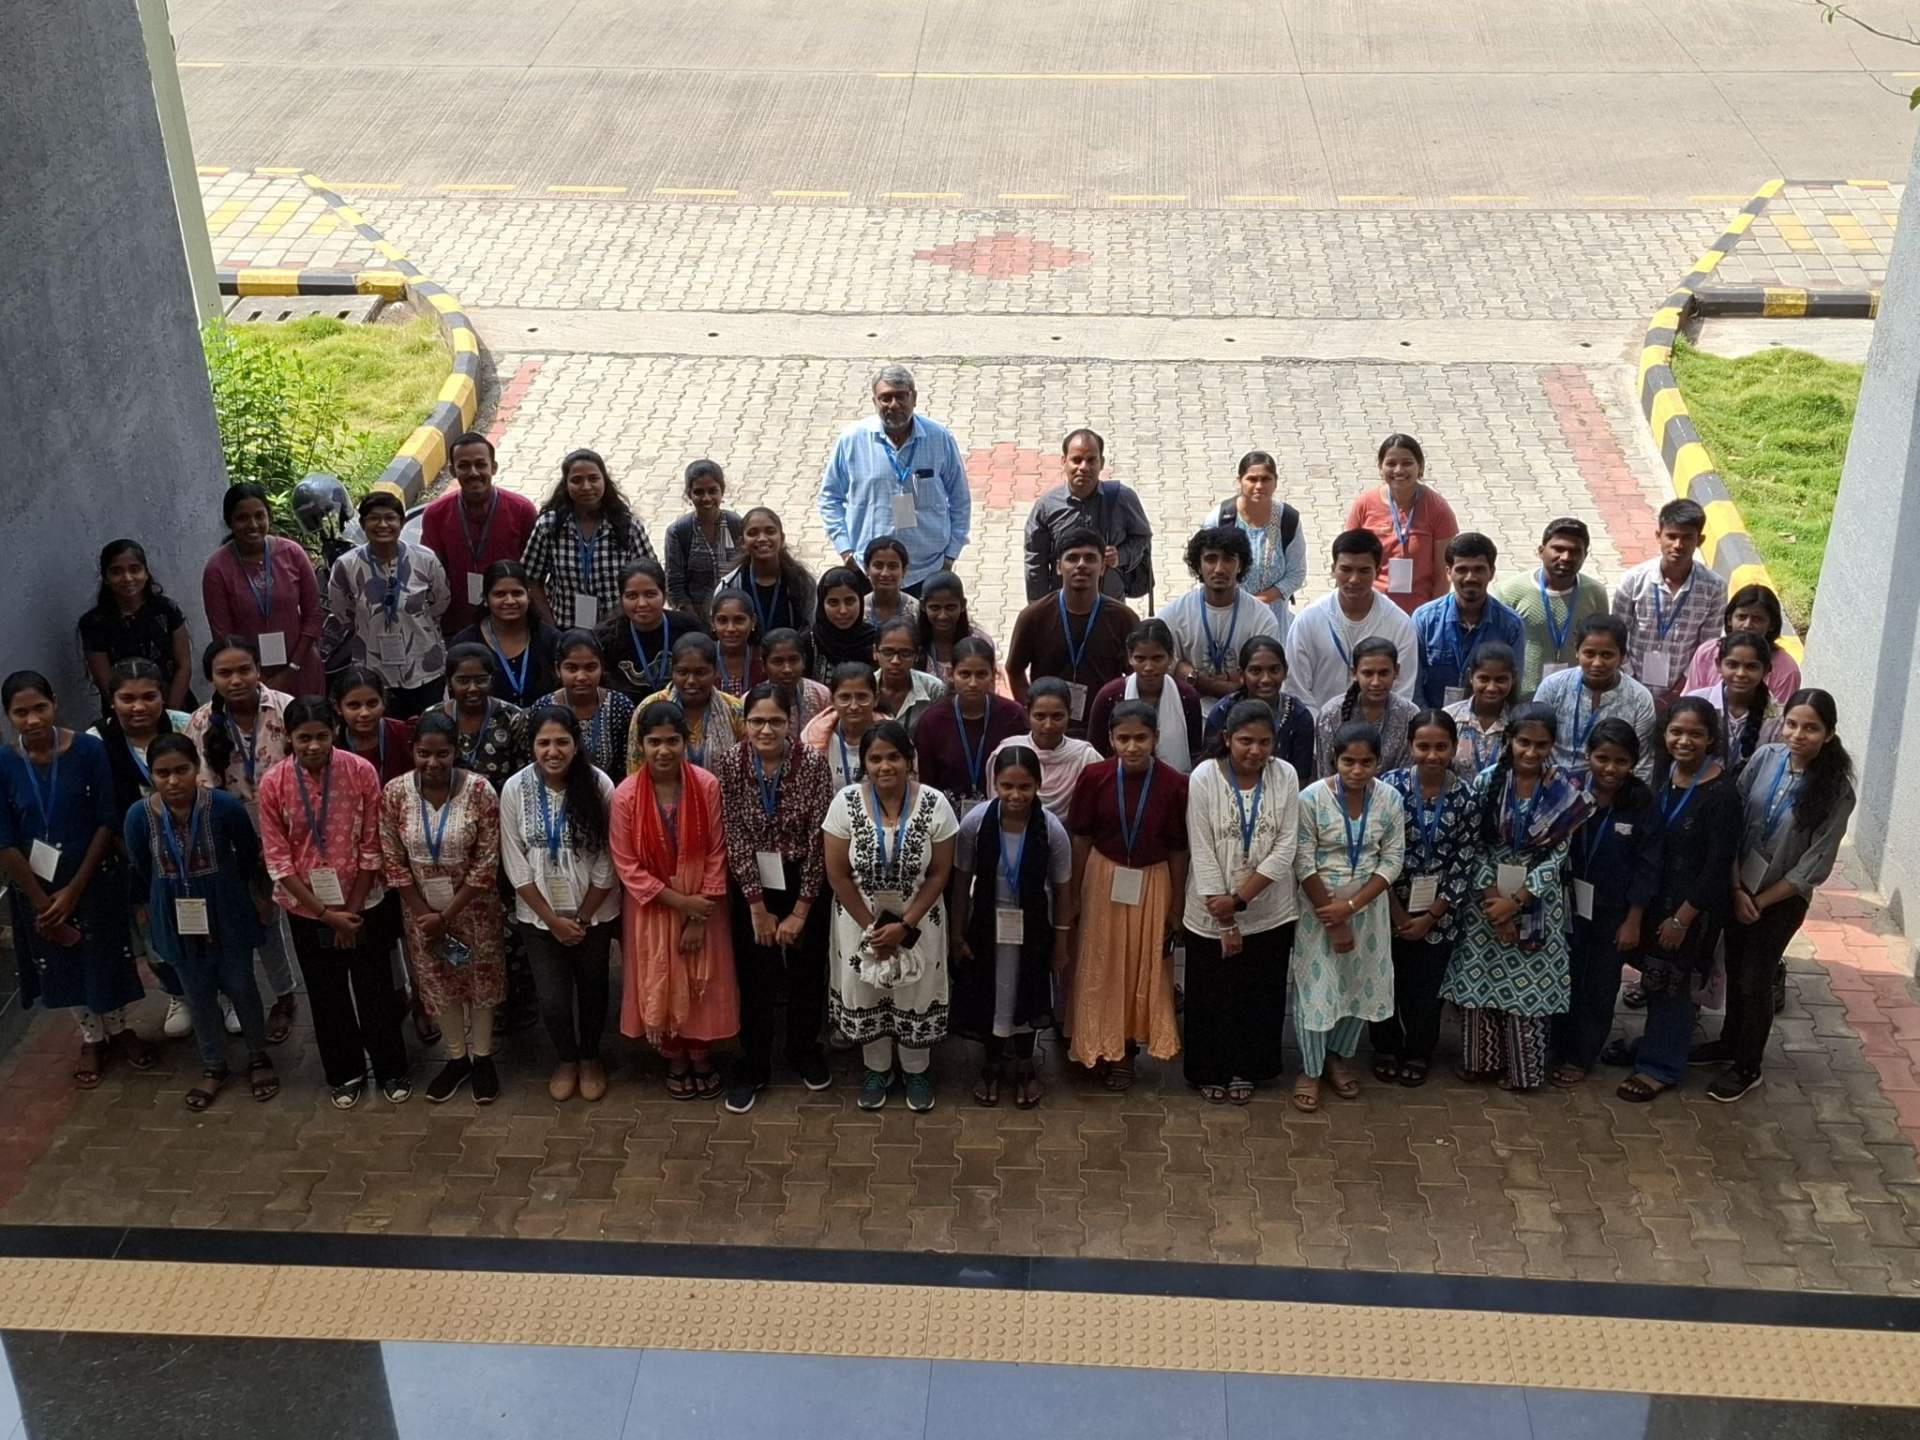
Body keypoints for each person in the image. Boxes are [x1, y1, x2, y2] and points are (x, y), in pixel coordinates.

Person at [1696, 688, 1856, 1103]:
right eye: (1792, 724)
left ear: (1829, 734)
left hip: (1782, 899)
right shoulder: (1765, 758)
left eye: (1811, 728)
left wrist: (1761, 902)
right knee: (1735, 966)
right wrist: (1736, 889)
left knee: (1756, 977)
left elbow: (1814, 863)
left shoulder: (1837, 790)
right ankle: (1729, 1043)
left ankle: (1748, 1066)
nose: (1798, 735)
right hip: (1740, 886)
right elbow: (1734, 821)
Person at [256, 696, 411, 1108]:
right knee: (327, 995)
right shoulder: (273, 783)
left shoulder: (360, 771)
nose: (313, 746)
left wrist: (350, 913)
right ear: (289, 737)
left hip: (365, 903)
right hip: (306, 909)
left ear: (335, 732)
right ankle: (345, 1073)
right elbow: (278, 860)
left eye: (322, 736)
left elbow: (372, 846)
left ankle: (392, 1068)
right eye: (303, 738)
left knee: (375, 989)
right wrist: (327, 915)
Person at [0, 670, 149, 1088]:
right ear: (8, 716)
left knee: (107, 954)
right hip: (36, 887)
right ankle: (91, 1038)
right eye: (21, 712)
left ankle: (119, 1029)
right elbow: (5, 838)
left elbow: (106, 819)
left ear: (55, 703)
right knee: (62, 960)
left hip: (93, 876)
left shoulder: (87, 750)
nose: (33, 720)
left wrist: (76, 887)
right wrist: (40, 900)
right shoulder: (4, 763)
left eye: (40, 708)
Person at [1441, 704, 1591, 1093]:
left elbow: (1558, 857)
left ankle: (1524, 1072)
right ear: (1509, 740)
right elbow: (1473, 846)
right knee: (1481, 979)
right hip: (1485, 901)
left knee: (1530, 991)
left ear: (1552, 745)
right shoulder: (1486, 782)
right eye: (1524, 742)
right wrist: (1496, 903)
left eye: (1541, 745)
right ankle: (1481, 1062)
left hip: (1538, 902)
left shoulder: (1565, 792)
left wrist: (1518, 901)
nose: (1531, 751)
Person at [124, 734, 278, 1108]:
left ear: (197, 768)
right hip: (175, 917)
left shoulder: (223, 807)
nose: (173, 781)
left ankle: (258, 1055)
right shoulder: (138, 817)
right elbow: (142, 865)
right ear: (150, 774)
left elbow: (247, 857)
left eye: (182, 770)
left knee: (242, 986)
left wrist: (250, 898)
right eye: (162, 773)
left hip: (228, 911)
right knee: (197, 994)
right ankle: (213, 1064)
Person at [821, 720, 959, 1111]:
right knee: (869, 991)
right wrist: (873, 930)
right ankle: (876, 1069)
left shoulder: (935, 803)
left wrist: (905, 925)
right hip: (858, 921)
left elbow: (940, 873)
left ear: (909, 759)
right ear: (864, 763)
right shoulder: (845, 802)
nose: (885, 766)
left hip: (920, 922)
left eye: (894, 757)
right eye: (875, 758)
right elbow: (837, 874)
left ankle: (916, 1070)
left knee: (915, 992)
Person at [1605, 699, 1738, 1102]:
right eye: (1676, 732)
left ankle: (1659, 1068)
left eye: (1696, 734)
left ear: (1711, 738)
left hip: (1689, 909)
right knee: (1655, 979)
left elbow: (1718, 866)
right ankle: (1651, 1046)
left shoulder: (1722, 794)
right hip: (1654, 899)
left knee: (1673, 986)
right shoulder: (1664, 776)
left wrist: (1682, 919)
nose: (1684, 741)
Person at [611, 700, 740, 1100]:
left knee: (703, 982)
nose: (664, 750)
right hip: (652, 907)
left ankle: (700, 1055)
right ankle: (675, 1057)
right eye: (655, 742)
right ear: (641, 745)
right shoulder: (625, 795)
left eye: (672, 741)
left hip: (705, 904)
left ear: (686, 742)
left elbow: (717, 852)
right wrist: (680, 904)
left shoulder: (707, 785)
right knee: (660, 975)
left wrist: (698, 916)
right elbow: (626, 863)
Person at [715, 683, 834, 1111]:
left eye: (776, 721)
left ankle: (803, 1049)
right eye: (757, 721)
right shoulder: (731, 763)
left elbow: (820, 840)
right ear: (744, 723)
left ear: (791, 723)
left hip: (804, 879)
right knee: (755, 976)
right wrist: (756, 907)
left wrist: (801, 911)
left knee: (806, 972)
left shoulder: (813, 764)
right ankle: (755, 1062)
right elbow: (735, 835)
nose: (766, 730)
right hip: (753, 884)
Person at [380, 711, 509, 1104]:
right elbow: (392, 860)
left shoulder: (481, 791)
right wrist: (426, 915)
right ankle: (456, 1059)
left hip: (474, 908)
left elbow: (487, 860)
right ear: (412, 751)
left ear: (456, 751)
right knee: (438, 983)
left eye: (442, 754)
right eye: (424, 753)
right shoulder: (395, 793)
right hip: (419, 913)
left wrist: (447, 915)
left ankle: (483, 1057)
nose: (433, 763)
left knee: (481, 983)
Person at [1182, 701, 1301, 1104]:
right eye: (1246, 741)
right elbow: (1202, 848)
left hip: (1269, 910)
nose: (1255, 750)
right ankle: (1209, 1068)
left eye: (1264, 742)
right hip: (1210, 908)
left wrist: (1240, 899)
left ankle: (1250, 1067)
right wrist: (1226, 919)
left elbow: (1286, 847)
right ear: (1227, 738)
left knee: (1260, 993)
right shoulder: (1204, 777)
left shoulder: (1285, 775)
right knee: (1212, 993)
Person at [1065, 700, 1188, 1089]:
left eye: (1141, 738)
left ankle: (1126, 1051)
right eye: (1123, 739)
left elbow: (1178, 848)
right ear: (1110, 739)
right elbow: (1081, 836)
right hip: (1103, 877)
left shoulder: (1174, 784)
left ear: (1156, 738)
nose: (1132, 747)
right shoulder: (1094, 777)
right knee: (1100, 962)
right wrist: (1074, 894)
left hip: (1152, 882)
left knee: (1140, 964)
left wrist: (1177, 906)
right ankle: (1095, 1040)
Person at [500, 705, 620, 1102]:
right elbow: (514, 860)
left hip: (594, 913)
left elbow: (609, 857)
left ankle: (590, 1058)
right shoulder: (515, 788)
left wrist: (582, 918)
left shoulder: (600, 784)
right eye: (544, 743)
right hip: (539, 918)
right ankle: (566, 1058)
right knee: (552, 998)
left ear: (576, 743)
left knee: (593, 988)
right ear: (532, 746)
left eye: (562, 742)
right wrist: (551, 919)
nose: (553, 751)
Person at [1290, 721, 1407, 1116]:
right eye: (1349, 762)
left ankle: (1337, 1058)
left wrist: (1353, 906)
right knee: (1316, 988)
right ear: (1334, 760)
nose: (1357, 771)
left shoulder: (1389, 798)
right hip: (1319, 909)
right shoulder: (1310, 799)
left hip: (1368, 909)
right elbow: (1303, 860)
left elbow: (1392, 859)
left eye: (1366, 762)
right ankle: (1309, 1069)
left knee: (1358, 985)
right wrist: (1335, 917)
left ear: (1378, 762)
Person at [951, 746, 1076, 1108]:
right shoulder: (976, 823)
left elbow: (1063, 890)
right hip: (986, 927)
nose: (1016, 795)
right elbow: (961, 882)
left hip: (1033, 930)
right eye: (1007, 786)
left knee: (1027, 994)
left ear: (1038, 785)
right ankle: (991, 1063)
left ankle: (1024, 1063)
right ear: (995, 784)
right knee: (991, 995)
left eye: (1024, 787)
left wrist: (1060, 944)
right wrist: (956, 934)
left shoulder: (1051, 829)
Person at [90, 660, 199, 1039]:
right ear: (112, 700)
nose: (139, 707)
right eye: (127, 698)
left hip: (196, 853)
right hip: (134, 859)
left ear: (163, 696)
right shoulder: (96, 742)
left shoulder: (187, 726)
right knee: (155, 936)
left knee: (209, 924)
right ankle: (180, 995)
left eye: (149, 696)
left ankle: (222, 993)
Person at [1549, 718, 1660, 1087]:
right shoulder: (1570, 789)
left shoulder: (1642, 802)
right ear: (1588, 755)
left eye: (1621, 761)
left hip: (1614, 912)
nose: (1610, 768)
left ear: (1633, 763)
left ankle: (1582, 1055)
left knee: (1599, 982)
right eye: (1602, 758)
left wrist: (1633, 919)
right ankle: (1554, 1045)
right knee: (1563, 975)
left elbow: (1648, 865)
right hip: (1565, 905)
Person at [1374, 711, 1475, 1087]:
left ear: (1454, 747)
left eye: (1441, 747)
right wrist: (1398, 914)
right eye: (1423, 746)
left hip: (1440, 912)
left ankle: (1418, 1050)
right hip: (1388, 904)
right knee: (1385, 978)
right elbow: (1373, 850)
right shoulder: (1388, 788)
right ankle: (1385, 1046)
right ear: (1410, 746)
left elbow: (1465, 861)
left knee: (1426, 989)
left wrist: (1432, 915)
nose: (1432, 755)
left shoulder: (1467, 797)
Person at [818, 364, 970, 593]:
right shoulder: (852, 440)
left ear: (914, 398)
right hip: (869, 571)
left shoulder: (939, 438)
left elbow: (960, 499)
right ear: (875, 402)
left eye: (901, 396)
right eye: (886, 398)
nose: (894, 405)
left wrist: (950, 555)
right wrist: (846, 550)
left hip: (927, 569)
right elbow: (829, 498)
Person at [327, 490, 452, 719]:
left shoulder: (424, 559)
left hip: (424, 663)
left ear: (402, 522)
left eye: (390, 518)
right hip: (373, 667)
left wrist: (414, 621)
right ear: (363, 524)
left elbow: (441, 600)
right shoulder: (346, 565)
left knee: (431, 727)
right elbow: (342, 611)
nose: (382, 524)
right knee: (383, 729)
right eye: (374, 518)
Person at [1006, 529, 1140, 736]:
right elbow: (1014, 670)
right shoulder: (1033, 617)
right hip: (1050, 732)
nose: (1081, 565)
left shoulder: (1124, 619)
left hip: (1105, 729)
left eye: (1090, 558)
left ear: (1103, 567)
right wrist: (1033, 712)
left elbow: (1136, 675)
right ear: (1059, 567)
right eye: (1072, 558)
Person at [202, 481, 325, 698]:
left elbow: (313, 614)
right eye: (242, 518)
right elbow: (222, 634)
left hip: (301, 668)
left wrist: (292, 669)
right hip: (248, 679)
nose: (253, 525)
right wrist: (256, 677)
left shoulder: (293, 554)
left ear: (269, 516)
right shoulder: (217, 568)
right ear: (229, 522)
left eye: (259, 516)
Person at [520, 448, 658, 630]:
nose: (586, 487)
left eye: (593, 478)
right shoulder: (549, 526)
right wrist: (550, 626)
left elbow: (651, 576)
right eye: (576, 480)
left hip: (618, 629)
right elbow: (531, 578)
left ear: (604, 481)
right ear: (565, 485)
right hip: (565, 629)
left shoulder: (628, 527)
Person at [1610, 497, 1728, 710]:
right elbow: (1616, 637)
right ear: (1659, 535)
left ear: (1700, 540)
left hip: (1682, 693)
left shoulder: (1714, 588)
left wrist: (1674, 695)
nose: (1678, 545)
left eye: (1687, 537)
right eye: (1671, 536)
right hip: (1628, 688)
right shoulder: (1633, 580)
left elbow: (1706, 648)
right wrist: (1634, 686)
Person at [418, 431, 539, 636]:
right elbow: (431, 573)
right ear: (452, 471)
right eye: (464, 466)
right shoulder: (436, 514)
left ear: (494, 467)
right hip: (456, 625)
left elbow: (533, 574)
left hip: (512, 622)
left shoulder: (521, 510)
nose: (473, 472)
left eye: (481, 464)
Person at [1284, 530, 1419, 708]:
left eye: (1364, 571)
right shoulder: (1308, 621)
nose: (1354, 579)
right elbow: (1297, 689)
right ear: (1333, 570)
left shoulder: (1399, 624)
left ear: (1378, 572)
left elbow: (1402, 693)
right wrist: (1322, 723)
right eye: (1346, 570)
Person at [1022, 428, 1154, 603]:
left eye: (1092, 460)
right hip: (1064, 607)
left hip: (1110, 603)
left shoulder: (1122, 499)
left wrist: (1120, 556)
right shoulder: (1046, 507)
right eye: (1076, 460)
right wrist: (1039, 607)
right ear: (1064, 461)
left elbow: (1142, 537)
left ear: (1102, 463)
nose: (1083, 467)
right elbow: (1035, 562)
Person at [1490, 517, 1610, 701]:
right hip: (1522, 699)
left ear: (1585, 555)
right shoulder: (1510, 592)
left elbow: (1601, 645)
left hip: (1573, 697)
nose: (1566, 557)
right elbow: (1494, 649)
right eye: (1558, 549)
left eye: (1575, 551)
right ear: (1541, 551)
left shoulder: (1595, 593)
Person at [1161, 525, 1289, 693]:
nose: (1219, 569)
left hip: (1245, 706)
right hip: (1187, 706)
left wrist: (1193, 678)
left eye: (1228, 559)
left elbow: (1265, 674)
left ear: (1240, 565)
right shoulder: (1173, 614)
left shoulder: (1262, 618)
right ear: (1198, 566)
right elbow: (1161, 665)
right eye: (1211, 559)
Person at [1344, 434, 1459, 612]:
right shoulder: (1364, 505)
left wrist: (1433, 615)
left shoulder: (1438, 509)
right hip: (1371, 610)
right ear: (1380, 467)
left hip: (1418, 612)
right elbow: (1346, 561)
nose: (1398, 470)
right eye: (1391, 464)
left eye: (1407, 463)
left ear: (1420, 466)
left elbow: (1443, 575)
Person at [1411, 533, 1527, 709]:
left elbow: (1512, 686)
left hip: (1486, 720)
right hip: (1432, 719)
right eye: (1462, 570)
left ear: (1492, 573)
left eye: (1479, 569)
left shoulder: (1511, 625)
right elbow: (1414, 682)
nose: (1470, 577)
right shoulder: (1424, 619)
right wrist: (1427, 720)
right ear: (1448, 573)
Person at [1533, 615, 1657, 780]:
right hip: (1550, 783)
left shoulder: (1639, 698)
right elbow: (1534, 740)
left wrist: (1637, 794)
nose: (1597, 663)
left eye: (1607, 655)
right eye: (1589, 653)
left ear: (1621, 656)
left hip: (1610, 786)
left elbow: (1642, 761)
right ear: (1577, 651)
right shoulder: (1553, 686)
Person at [79, 539, 194, 713]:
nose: (127, 578)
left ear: (146, 573)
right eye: (116, 572)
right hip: (125, 713)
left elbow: (183, 664)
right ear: (105, 578)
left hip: (176, 706)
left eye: (135, 569)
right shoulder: (95, 623)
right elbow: (106, 682)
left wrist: (171, 712)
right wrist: (134, 712)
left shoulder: (166, 610)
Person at [914, 637, 1025, 811]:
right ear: (951, 674)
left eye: (981, 674)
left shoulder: (1012, 716)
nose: (973, 683)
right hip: (945, 817)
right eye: (965, 674)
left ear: (993, 674)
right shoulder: (932, 722)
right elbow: (926, 783)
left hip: (1003, 814)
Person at [1202, 450, 1305, 624]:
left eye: (1266, 479)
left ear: (1275, 482)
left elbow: (1296, 573)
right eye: (1252, 479)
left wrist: (1260, 601)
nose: (1259, 486)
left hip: (1273, 621)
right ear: (1239, 481)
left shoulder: (1288, 520)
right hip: (1227, 617)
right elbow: (1204, 567)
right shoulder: (1220, 519)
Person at [1087, 619, 1203, 773]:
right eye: (1140, 659)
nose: (1148, 667)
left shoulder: (1187, 697)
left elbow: (1195, 752)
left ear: (1170, 657)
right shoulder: (1110, 696)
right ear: (1130, 657)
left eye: (1157, 658)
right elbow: (1095, 753)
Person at [1200, 637, 1316, 783]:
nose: (1266, 679)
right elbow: (1210, 773)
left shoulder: (1299, 716)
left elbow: (1300, 779)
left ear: (1285, 671)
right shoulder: (1223, 713)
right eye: (1256, 671)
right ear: (1241, 674)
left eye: (1274, 670)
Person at [450, 560, 561, 709]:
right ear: (486, 598)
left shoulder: (552, 640)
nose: (510, 601)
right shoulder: (465, 643)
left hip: (545, 721)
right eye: (500, 594)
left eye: (517, 593)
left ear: (528, 596)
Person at [632, 634, 746, 773]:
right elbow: (636, 769)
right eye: (682, 672)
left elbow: (746, 766)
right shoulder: (648, 708)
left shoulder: (734, 710)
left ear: (716, 671)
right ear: (672, 671)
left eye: (700, 672)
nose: (691, 680)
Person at [989, 678, 1099, 819]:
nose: (1048, 725)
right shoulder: (1008, 753)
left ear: (1070, 714)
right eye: (1040, 716)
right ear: (1027, 714)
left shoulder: (1085, 758)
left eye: (1057, 716)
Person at [598, 558, 704, 702]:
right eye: (632, 596)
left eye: (650, 594)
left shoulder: (690, 630)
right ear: (621, 599)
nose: (642, 603)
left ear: (664, 596)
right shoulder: (607, 640)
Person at [1314, 637, 1419, 777]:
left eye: (1383, 673)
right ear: (1354, 673)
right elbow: (1326, 775)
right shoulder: (1331, 714)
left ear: (1396, 671)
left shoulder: (1409, 715)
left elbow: (1405, 776)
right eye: (1367, 674)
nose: (1376, 682)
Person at [1683, 583, 1802, 703]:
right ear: (1729, 620)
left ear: (1772, 625)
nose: (1747, 625)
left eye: (1757, 619)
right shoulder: (1707, 652)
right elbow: (1689, 703)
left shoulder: (1786, 671)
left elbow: (1780, 713)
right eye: (1741, 617)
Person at [433, 643, 527, 793]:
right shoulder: (433, 716)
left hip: (502, 801)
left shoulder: (512, 718)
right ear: (449, 682)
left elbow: (523, 775)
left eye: (481, 680)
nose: (472, 688)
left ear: (492, 680)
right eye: (463, 681)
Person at [1685, 632, 1782, 778]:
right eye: (1732, 665)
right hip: (1696, 786)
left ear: (1766, 670)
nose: (1741, 673)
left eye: (1751, 667)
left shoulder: (1779, 718)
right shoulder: (1695, 702)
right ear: (1718, 665)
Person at [542, 630, 634, 779]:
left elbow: (628, 768)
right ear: (558, 669)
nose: (581, 677)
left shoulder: (620, 706)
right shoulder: (543, 707)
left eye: (590, 668)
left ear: (601, 667)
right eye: (572, 668)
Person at [663, 459, 743, 619]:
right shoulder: (679, 532)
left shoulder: (736, 525)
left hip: (735, 620)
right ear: (689, 494)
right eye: (699, 492)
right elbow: (674, 584)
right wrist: (695, 622)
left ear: (722, 491)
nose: (706, 498)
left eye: (712, 491)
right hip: (695, 619)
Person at [719, 506, 817, 637]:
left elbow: (811, 629)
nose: (762, 538)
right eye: (753, 533)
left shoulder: (803, 583)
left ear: (782, 538)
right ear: (743, 542)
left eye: (770, 532)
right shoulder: (729, 585)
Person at [802, 661, 883, 789]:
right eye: (845, 697)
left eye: (862, 697)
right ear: (832, 700)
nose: (854, 706)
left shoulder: (895, 738)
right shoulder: (812, 739)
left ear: (876, 698)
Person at [1444, 643, 1517, 783]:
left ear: (1513, 678)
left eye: (1500, 680)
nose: (1491, 687)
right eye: (1484, 679)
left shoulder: (1519, 721)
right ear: (1470, 676)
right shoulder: (1449, 718)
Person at [330, 666, 414, 785]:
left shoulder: (405, 735)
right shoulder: (331, 744)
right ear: (338, 707)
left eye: (372, 704)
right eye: (354, 706)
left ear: (384, 702)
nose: (364, 713)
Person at [916, 572, 995, 684]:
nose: (942, 615)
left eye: (950, 607)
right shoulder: (913, 643)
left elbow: (988, 688)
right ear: (923, 606)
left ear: (962, 605)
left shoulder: (981, 642)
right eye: (935, 608)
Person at [872, 616, 947, 734]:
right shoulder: (864, 688)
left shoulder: (934, 689)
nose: (895, 661)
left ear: (916, 655)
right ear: (875, 652)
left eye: (905, 653)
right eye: (887, 652)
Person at [809, 565, 878, 681]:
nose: (843, 611)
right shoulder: (810, 642)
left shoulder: (874, 640)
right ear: (822, 604)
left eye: (850, 601)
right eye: (833, 602)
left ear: (860, 600)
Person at [762, 627, 831, 733]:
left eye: (794, 660)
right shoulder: (751, 701)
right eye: (778, 662)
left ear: (803, 661)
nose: (787, 669)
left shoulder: (821, 696)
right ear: (763, 665)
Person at [707, 589, 762, 698]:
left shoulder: (763, 659)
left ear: (753, 621)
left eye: (739, 620)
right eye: (722, 620)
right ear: (712, 622)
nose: (730, 628)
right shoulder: (703, 658)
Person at [861, 536, 919, 632]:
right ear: (866, 569)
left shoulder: (916, 610)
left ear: (904, 571)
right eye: (878, 565)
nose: (885, 573)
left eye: (893, 566)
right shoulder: (858, 611)